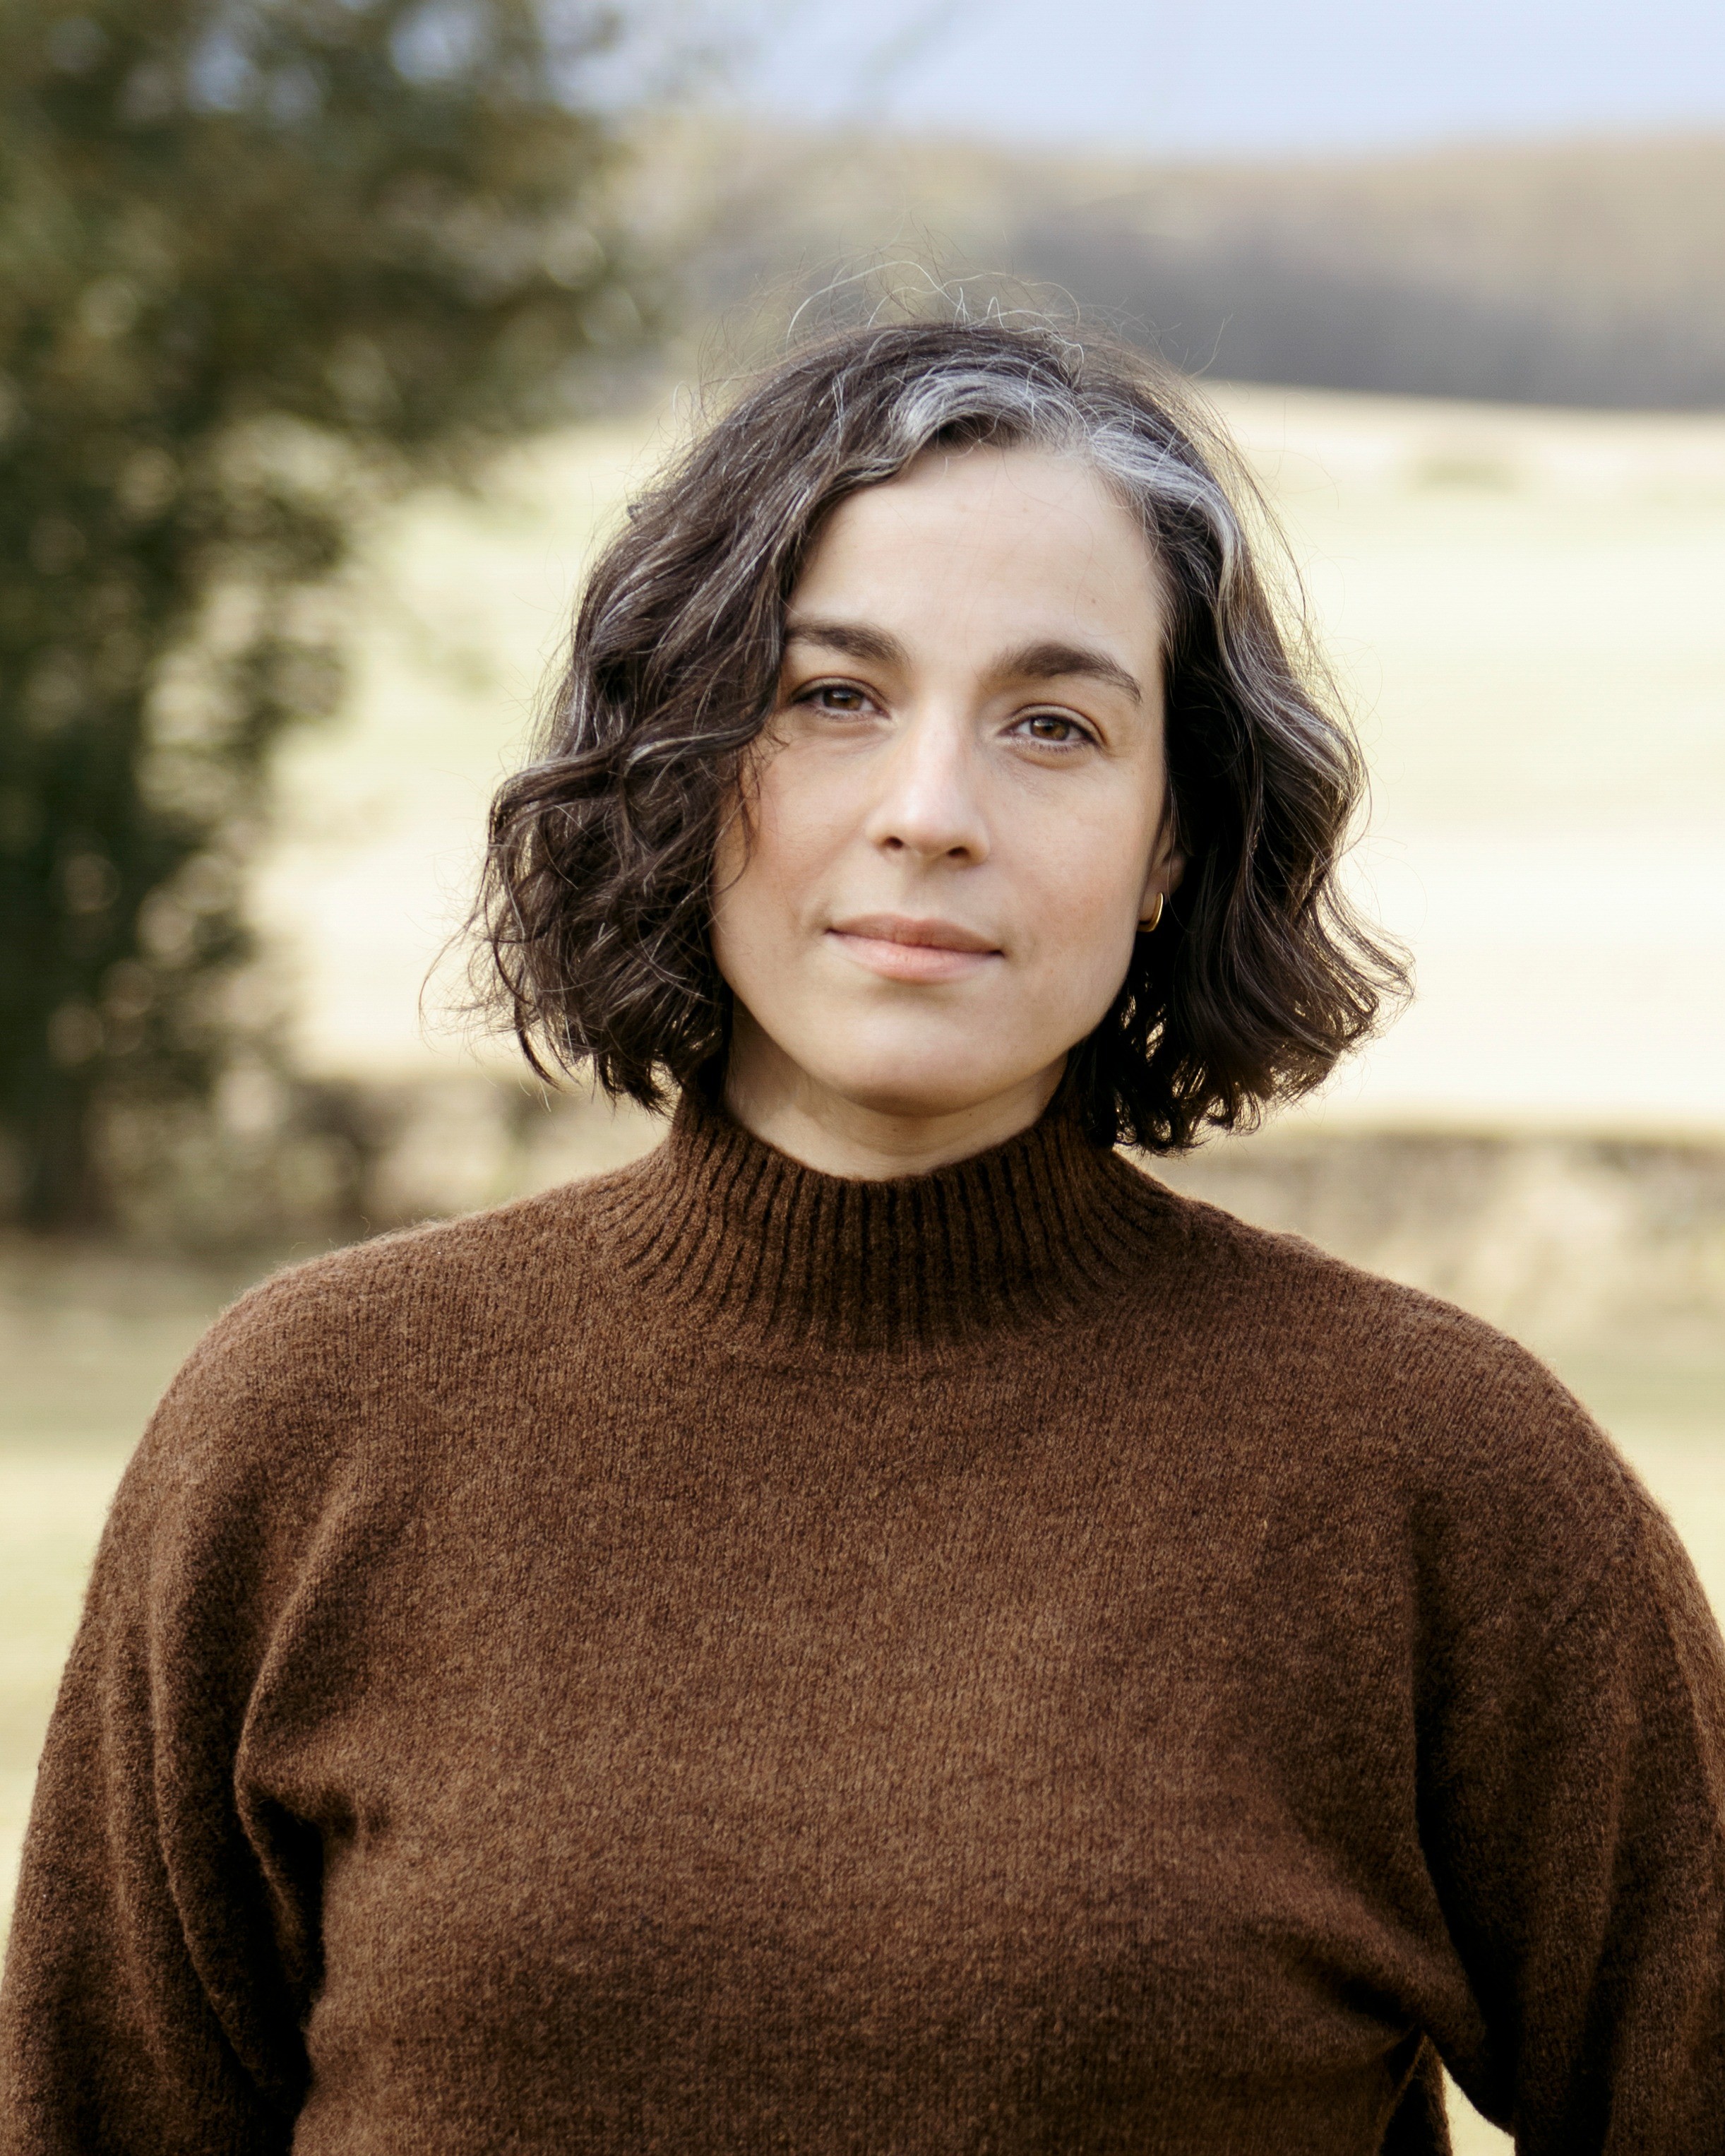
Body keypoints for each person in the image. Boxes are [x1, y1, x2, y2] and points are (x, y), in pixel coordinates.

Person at [3, 318, 1722, 2155]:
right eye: (831, 697)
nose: (929, 815)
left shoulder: (1432, 1475)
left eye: (1053, 726)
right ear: (681, 758)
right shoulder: (314, 1424)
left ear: (1167, 844)